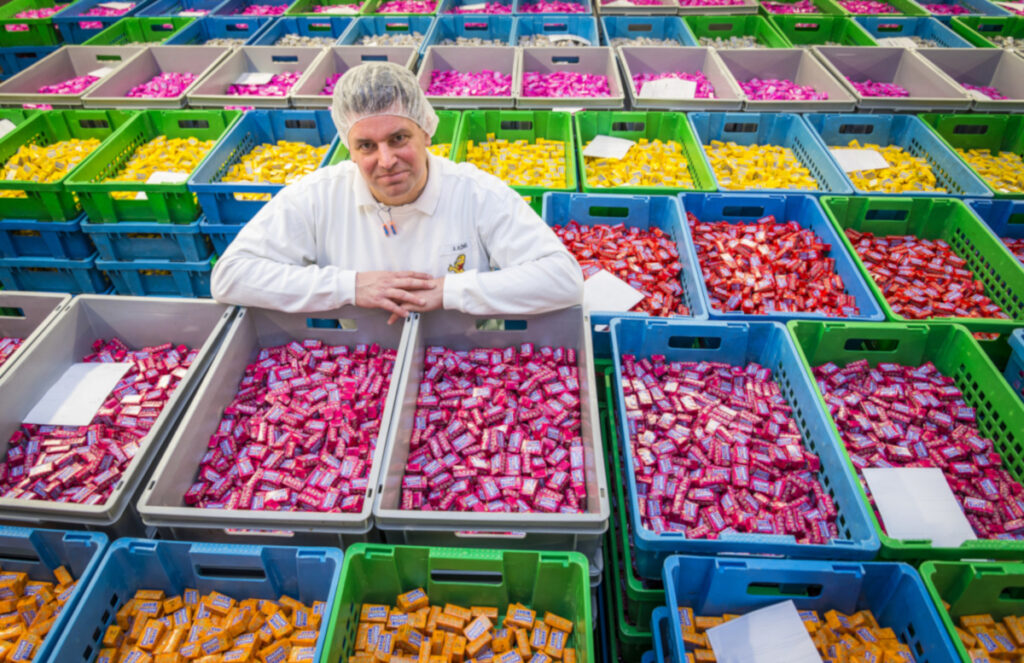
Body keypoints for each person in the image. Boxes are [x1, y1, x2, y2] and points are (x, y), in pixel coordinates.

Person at [210, 61, 583, 321]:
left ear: (426, 131)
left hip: (459, 355)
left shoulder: (475, 193)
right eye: (366, 146)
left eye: (398, 138)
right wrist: (349, 286)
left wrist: (450, 292)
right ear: (349, 149)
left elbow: (563, 279)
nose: (386, 160)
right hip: (358, 359)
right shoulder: (319, 195)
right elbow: (229, 276)